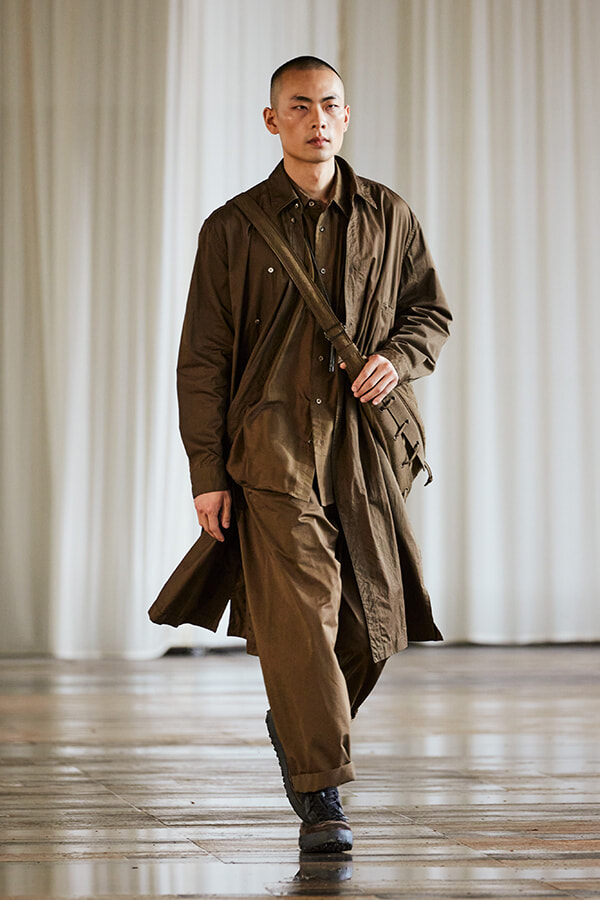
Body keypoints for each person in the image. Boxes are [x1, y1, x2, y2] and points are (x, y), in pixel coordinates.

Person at [149, 56, 451, 854]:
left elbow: (429, 314)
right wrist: (207, 473)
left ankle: (298, 724)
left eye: (330, 105)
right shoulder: (231, 228)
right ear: (272, 120)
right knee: (304, 617)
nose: (317, 119)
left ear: (346, 116)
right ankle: (322, 799)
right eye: (299, 106)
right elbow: (203, 360)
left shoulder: (388, 214)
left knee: (373, 624)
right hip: (272, 450)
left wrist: (397, 358)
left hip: (364, 448)